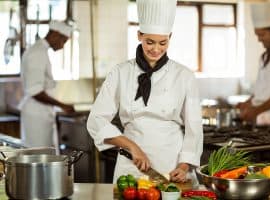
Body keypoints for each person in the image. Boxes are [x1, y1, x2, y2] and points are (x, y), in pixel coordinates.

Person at [87, 0, 203, 184]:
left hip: (171, 163)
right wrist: (131, 146)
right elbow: (96, 120)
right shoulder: (120, 72)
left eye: (163, 43)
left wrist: (184, 165)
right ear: (139, 35)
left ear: (170, 37)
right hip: (131, 164)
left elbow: (194, 128)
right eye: (149, 42)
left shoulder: (184, 75)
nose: (156, 49)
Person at [20, 21, 75, 149]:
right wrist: (62, 105)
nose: (63, 46)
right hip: (36, 115)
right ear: (56, 34)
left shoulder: (40, 50)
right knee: (38, 156)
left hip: (41, 113)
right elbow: (35, 91)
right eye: (64, 41)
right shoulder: (37, 53)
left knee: (44, 155)